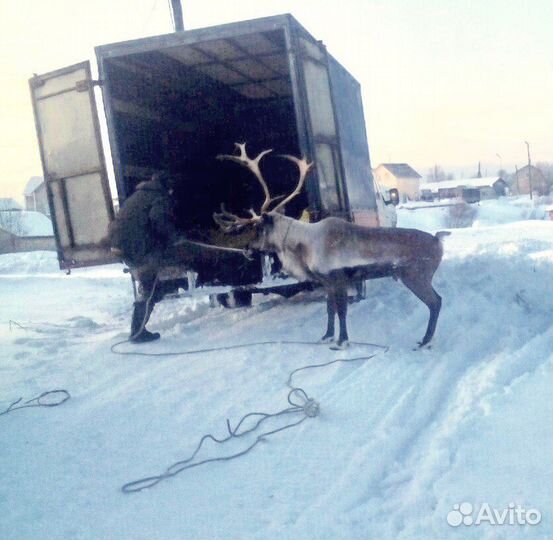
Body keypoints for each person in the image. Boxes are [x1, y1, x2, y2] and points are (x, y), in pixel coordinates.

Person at [108, 172, 179, 343]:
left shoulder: (141, 194)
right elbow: (158, 220)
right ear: (166, 187)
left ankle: (138, 328)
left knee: (149, 285)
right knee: (149, 286)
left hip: (120, 242)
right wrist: (174, 237)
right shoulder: (158, 196)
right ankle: (137, 332)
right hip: (135, 244)